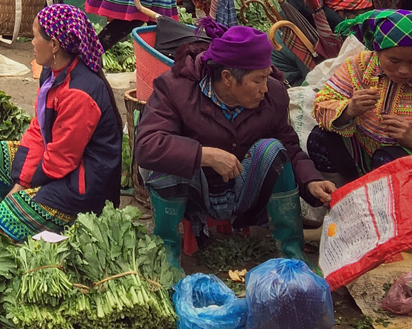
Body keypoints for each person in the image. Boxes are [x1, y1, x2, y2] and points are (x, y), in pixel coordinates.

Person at [136, 23, 336, 267]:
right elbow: (147, 145)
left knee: (272, 149)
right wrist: (203, 155)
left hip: (244, 191)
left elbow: (289, 146)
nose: (266, 87)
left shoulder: (272, 94)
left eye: (267, 75)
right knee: (163, 163)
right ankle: (167, 261)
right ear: (228, 78)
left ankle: (292, 256)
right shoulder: (176, 88)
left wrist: (310, 180)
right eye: (257, 80)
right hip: (194, 194)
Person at [310, 10, 412, 247]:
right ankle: (347, 209)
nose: (404, 71)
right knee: (319, 138)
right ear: (378, 53)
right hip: (367, 157)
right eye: (394, 61)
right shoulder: (359, 67)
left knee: (389, 158)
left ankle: (399, 226)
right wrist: (349, 109)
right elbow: (321, 105)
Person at [0, 4, 122, 241]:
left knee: (8, 218)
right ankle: (24, 207)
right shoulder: (51, 72)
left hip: (85, 185)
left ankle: (58, 221)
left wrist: (22, 188)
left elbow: (61, 159)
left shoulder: (80, 93)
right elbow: (39, 129)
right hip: (60, 164)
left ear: (54, 45)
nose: (31, 43)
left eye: (34, 36)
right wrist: (22, 181)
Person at [272, 0, 374, 86]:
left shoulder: (320, 25)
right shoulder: (297, 31)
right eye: (359, 16)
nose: (361, 23)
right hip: (292, 86)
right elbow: (319, 77)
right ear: (339, 12)